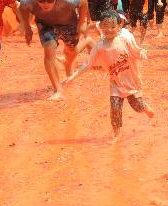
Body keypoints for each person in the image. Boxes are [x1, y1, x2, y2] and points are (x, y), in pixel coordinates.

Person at [64, 10, 154, 141]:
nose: (109, 30)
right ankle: (116, 134)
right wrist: (72, 77)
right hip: (116, 83)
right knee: (115, 108)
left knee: (136, 105)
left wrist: (141, 53)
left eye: (113, 26)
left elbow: (136, 50)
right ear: (100, 27)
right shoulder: (99, 46)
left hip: (130, 80)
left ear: (119, 26)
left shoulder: (125, 38)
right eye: (105, 26)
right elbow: (87, 64)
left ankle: (144, 108)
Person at [17, 0, 89, 101]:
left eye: (50, 0)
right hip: (46, 25)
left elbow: (83, 1)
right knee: (49, 51)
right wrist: (27, 27)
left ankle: (69, 64)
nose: (45, 4)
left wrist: (82, 23)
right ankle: (58, 90)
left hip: (69, 23)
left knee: (72, 50)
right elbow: (22, 7)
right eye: (41, 0)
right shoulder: (28, 1)